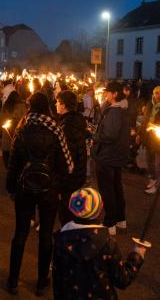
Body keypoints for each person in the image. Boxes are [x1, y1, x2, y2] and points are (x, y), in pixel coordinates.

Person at [6, 92, 74, 296]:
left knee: (20, 234)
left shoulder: (22, 128)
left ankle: (13, 280)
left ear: (31, 107)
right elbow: (66, 165)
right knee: (46, 235)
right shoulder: (56, 130)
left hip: (24, 189)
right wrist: (59, 187)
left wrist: (11, 188)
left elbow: (13, 164)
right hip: (49, 190)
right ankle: (42, 281)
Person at [52, 188, 146, 299]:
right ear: (101, 208)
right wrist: (137, 256)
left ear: (71, 208)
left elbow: (57, 276)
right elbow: (122, 280)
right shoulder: (107, 244)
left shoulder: (61, 239)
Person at [92, 81, 131, 234]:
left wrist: (94, 136)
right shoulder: (121, 109)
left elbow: (110, 135)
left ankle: (110, 223)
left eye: (108, 92)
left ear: (115, 94)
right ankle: (120, 219)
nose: (106, 94)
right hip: (115, 155)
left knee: (107, 189)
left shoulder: (115, 112)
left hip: (107, 156)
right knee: (116, 188)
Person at [55, 90, 89, 226]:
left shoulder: (67, 126)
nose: (56, 104)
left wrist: (60, 180)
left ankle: (69, 239)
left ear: (64, 105)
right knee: (74, 207)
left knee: (67, 212)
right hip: (79, 173)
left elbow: (67, 155)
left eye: (57, 102)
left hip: (70, 176)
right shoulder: (77, 120)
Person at [0, 91, 26, 168]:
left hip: (7, 139)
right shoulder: (23, 107)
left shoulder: (5, 107)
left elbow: (0, 123)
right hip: (19, 139)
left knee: (8, 165)